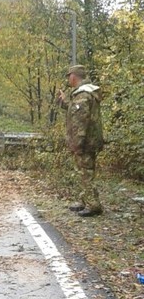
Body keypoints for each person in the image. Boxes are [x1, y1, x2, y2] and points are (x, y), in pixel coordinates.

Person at [57, 64, 104, 217]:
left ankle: (93, 205)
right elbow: (75, 111)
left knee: (86, 172)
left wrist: (77, 143)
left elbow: (80, 122)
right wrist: (64, 101)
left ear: (73, 76)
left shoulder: (83, 95)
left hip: (85, 142)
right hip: (88, 140)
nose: (68, 79)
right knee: (83, 171)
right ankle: (85, 200)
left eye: (69, 76)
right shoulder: (82, 94)